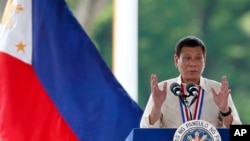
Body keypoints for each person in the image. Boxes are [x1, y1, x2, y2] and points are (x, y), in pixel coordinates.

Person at [140, 36, 242, 128]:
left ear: (204, 60)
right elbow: (145, 129)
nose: (193, 63)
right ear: (176, 60)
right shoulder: (162, 90)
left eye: (198, 58)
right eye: (187, 58)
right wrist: (156, 107)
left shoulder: (218, 90)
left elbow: (238, 133)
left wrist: (225, 111)